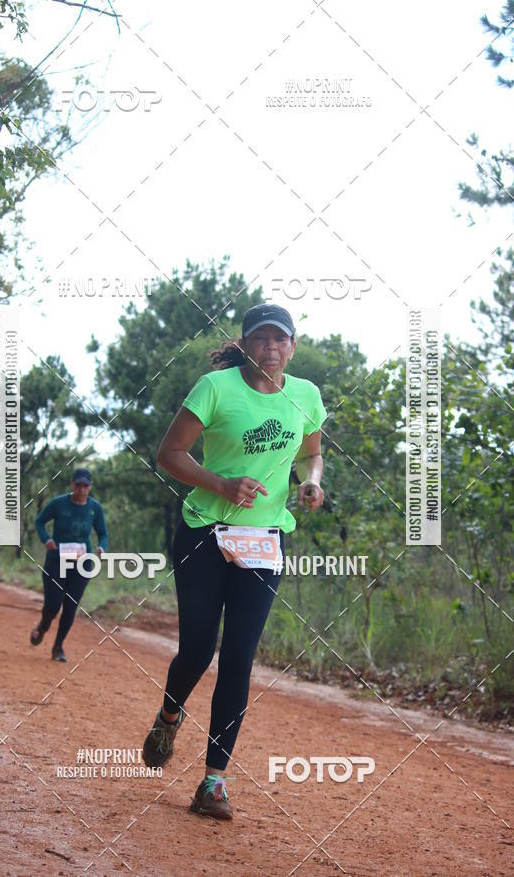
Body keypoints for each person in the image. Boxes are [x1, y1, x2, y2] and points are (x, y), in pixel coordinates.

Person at [141, 302, 327, 820]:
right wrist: (221, 484)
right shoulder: (215, 387)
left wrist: (312, 482)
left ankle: (213, 783)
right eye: (261, 339)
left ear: (293, 345)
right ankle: (169, 715)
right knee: (198, 650)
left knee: (239, 659)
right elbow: (170, 454)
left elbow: (312, 452)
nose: (271, 348)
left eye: (280, 340)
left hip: (264, 542)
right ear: (245, 343)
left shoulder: (306, 395)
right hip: (204, 533)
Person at [30, 467, 108, 662]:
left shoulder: (95, 508)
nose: (81, 489)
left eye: (85, 486)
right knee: (53, 606)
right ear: (72, 484)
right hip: (57, 561)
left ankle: (58, 647)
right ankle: (44, 625)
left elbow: (103, 533)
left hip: (82, 563)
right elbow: (39, 521)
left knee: (71, 605)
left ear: (90, 487)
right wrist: (46, 539)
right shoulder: (58, 504)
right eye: (78, 485)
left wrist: (102, 548)